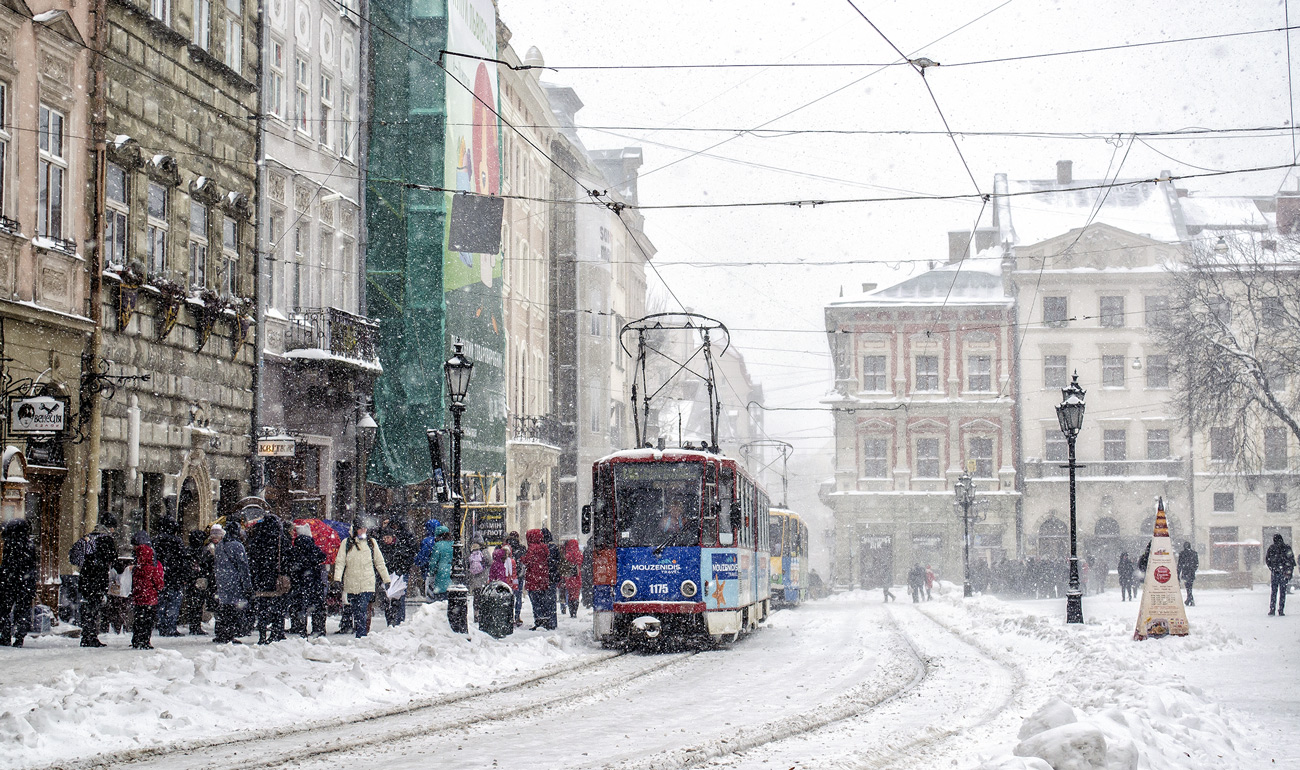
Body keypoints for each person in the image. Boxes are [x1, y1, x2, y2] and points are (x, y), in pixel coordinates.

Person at [333, 522, 391, 638]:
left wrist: (386, 579)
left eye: (365, 528)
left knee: (363, 609)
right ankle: (360, 633)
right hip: (351, 582)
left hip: (367, 582)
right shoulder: (347, 543)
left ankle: (361, 634)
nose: (363, 531)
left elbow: (379, 562)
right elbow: (340, 562)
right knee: (356, 609)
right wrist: (337, 579)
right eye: (360, 529)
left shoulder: (371, 543)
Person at [247, 512, 290, 644]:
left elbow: (251, 560)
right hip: (276, 580)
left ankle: (262, 635)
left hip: (261, 580)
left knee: (262, 609)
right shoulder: (281, 540)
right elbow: (288, 559)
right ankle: (276, 633)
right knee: (278, 608)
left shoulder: (256, 539)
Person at [77, 516, 118, 647]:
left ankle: (86, 635)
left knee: (88, 607)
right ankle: (91, 636)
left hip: (85, 577)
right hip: (98, 577)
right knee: (94, 608)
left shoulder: (89, 537)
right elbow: (113, 557)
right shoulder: (106, 539)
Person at [211, 523, 252, 644]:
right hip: (234, 581)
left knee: (224, 607)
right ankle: (230, 634)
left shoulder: (220, 545)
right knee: (233, 609)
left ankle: (222, 632)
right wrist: (247, 585)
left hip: (221, 580)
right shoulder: (237, 546)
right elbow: (243, 567)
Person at [0, 518, 38, 647]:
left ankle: (5, 635)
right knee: (22, 610)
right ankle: (19, 637)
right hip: (24, 583)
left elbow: (6, 564)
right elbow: (32, 565)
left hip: (8, 582)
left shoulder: (9, 544)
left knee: (5, 609)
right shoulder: (29, 545)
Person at [288, 523, 328, 637]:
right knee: (318, 607)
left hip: (299, 582)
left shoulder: (295, 548)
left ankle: (300, 629)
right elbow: (322, 557)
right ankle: (318, 629)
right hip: (315, 581)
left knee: (300, 606)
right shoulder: (313, 547)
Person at [152, 517, 188, 637]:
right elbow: (183, 560)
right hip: (174, 577)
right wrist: (183, 576)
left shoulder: (156, 541)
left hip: (161, 576)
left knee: (162, 602)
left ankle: (162, 625)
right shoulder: (177, 542)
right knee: (173, 603)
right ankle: (170, 626)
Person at [378, 517, 417, 627]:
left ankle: (397, 621)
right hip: (392, 573)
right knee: (390, 598)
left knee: (397, 597)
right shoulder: (400, 542)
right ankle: (394, 621)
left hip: (398, 573)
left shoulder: (401, 544)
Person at [130, 542, 165, 650]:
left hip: (138, 598)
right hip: (150, 599)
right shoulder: (152, 569)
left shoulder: (136, 569)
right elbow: (159, 584)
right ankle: (145, 640)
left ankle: (136, 639)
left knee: (138, 620)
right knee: (148, 621)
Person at [523, 529, 555, 630]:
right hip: (543, 578)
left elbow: (527, 561)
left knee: (535, 601)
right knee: (543, 601)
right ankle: (546, 620)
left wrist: (521, 559)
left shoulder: (532, 548)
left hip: (533, 578)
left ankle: (538, 621)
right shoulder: (544, 547)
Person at [1265, 533, 1296, 617]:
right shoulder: (1287, 548)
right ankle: (1281, 609)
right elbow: (1291, 561)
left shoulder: (1272, 548)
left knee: (1274, 592)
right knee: (1283, 592)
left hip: (1275, 573)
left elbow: (1267, 560)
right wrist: (1289, 572)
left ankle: (1272, 609)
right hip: (1284, 573)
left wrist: (1272, 568)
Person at [414, 519, 442, 598]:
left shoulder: (427, 541)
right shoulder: (443, 540)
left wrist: (417, 561)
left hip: (429, 570)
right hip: (441, 571)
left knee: (431, 594)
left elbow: (423, 556)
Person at [425, 525, 453, 602]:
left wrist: (431, 573)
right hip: (452, 572)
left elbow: (433, 562)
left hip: (441, 573)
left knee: (439, 597)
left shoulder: (438, 546)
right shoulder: (453, 544)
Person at [107, 554, 133, 634]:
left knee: (115, 610)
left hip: (115, 593)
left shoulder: (113, 570)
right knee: (122, 610)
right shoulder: (128, 570)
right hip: (125, 593)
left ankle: (116, 627)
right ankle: (122, 627)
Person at [506, 531, 527, 626]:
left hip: (508, 575)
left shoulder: (506, 548)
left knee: (508, 595)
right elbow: (524, 561)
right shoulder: (521, 548)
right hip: (519, 575)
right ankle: (517, 615)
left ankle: (509, 615)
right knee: (518, 595)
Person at [543, 528, 564, 621]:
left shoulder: (544, 548)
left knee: (546, 600)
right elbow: (559, 561)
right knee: (552, 599)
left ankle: (548, 619)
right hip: (553, 576)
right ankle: (553, 620)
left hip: (545, 576)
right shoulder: (554, 547)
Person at [466, 537, 489, 621]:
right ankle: (482, 614)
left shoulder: (471, 553)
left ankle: (476, 614)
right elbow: (489, 562)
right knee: (483, 597)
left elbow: (467, 565)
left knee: (476, 597)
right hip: (483, 578)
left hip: (474, 579)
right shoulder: (483, 553)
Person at [562, 538, 582, 618]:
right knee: (576, 595)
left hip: (569, 577)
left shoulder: (567, 555)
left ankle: (571, 611)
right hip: (577, 576)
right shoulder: (579, 554)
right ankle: (575, 611)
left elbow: (564, 567)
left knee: (570, 595)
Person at [1177, 542, 1199, 607]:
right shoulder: (1194, 553)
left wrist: (1178, 572)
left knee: (1187, 586)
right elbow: (1196, 564)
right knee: (1190, 586)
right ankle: (1189, 598)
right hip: (1191, 572)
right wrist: (1193, 569)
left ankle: (1190, 598)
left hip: (1185, 571)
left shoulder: (1182, 554)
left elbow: (1179, 564)